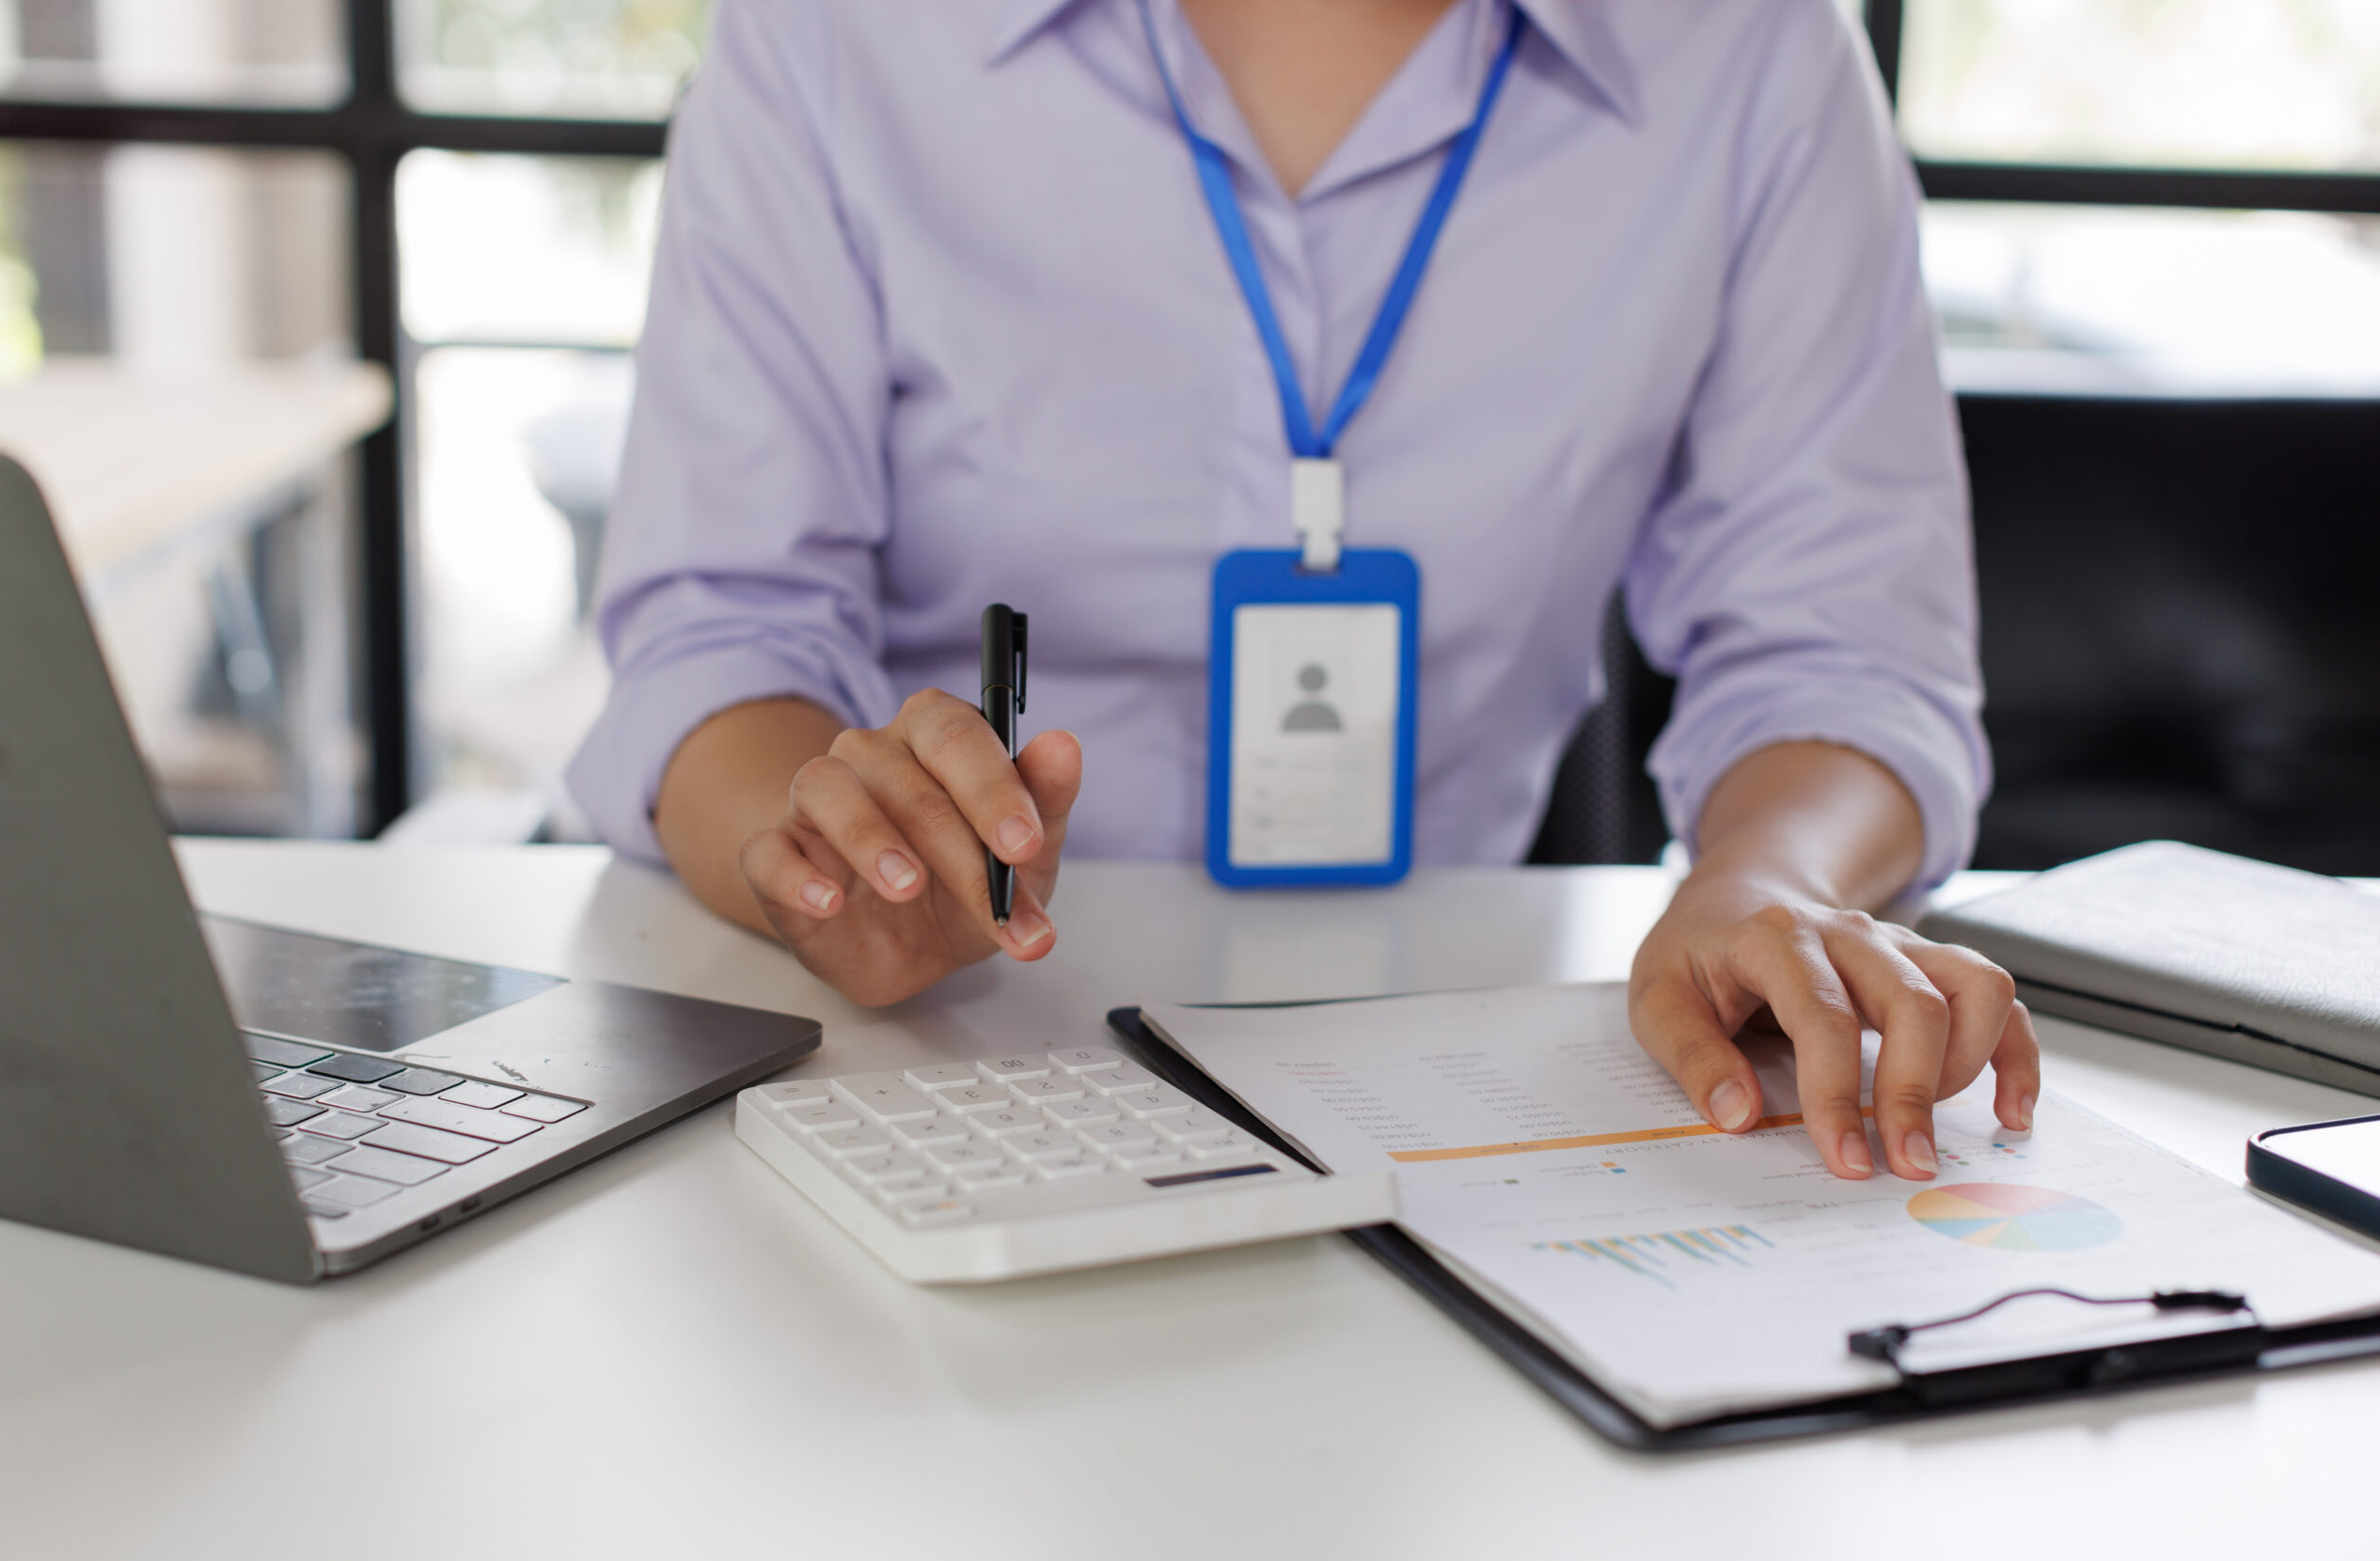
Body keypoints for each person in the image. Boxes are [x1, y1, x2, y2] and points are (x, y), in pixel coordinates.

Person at [567, 0, 2041, 1185]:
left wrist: (1763, 885)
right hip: (919, 1060)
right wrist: (832, 865)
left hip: (1445, 1080)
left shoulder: (1755, 49)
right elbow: (718, 633)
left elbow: (1846, 654)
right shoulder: (833, 33)